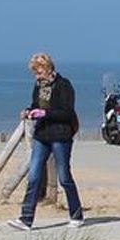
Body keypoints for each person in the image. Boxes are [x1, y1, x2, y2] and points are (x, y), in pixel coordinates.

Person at [12, 52, 85, 230]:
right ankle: (26, 218)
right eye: (35, 73)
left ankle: (76, 215)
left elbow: (67, 112)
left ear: (48, 68)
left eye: (39, 72)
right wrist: (29, 111)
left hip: (60, 136)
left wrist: (45, 113)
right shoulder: (38, 86)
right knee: (34, 176)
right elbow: (35, 105)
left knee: (64, 177)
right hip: (42, 135)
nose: (37, 76)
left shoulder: (64, 85)